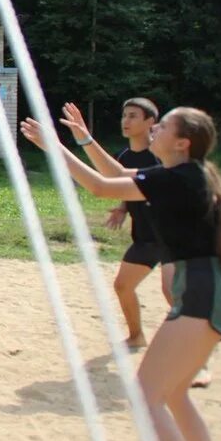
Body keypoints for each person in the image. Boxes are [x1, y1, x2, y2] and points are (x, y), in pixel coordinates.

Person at [21, 108, 221, 441]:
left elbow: (101, 187)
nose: (156, 128)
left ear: (182, 143)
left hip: (204, 289)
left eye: (164, 126)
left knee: (146, 397)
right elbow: (118, 175)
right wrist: (84, 140)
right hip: (209, 288)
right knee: (174, 395)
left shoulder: (181, 178)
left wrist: (54, 146)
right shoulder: (182, 175)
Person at [60, 99, 164, 349]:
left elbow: (121, 181)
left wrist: (70, 144)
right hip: (145, 236)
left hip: (171, 237)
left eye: (133, 116)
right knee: (123, 286)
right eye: (124, 115)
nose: (125, 121)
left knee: (175, 295)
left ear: (151, 122)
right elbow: (123, 182)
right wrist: (122, 207)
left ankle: (197, 354)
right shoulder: (124, 156)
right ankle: (136, 335)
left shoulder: (162, 154)